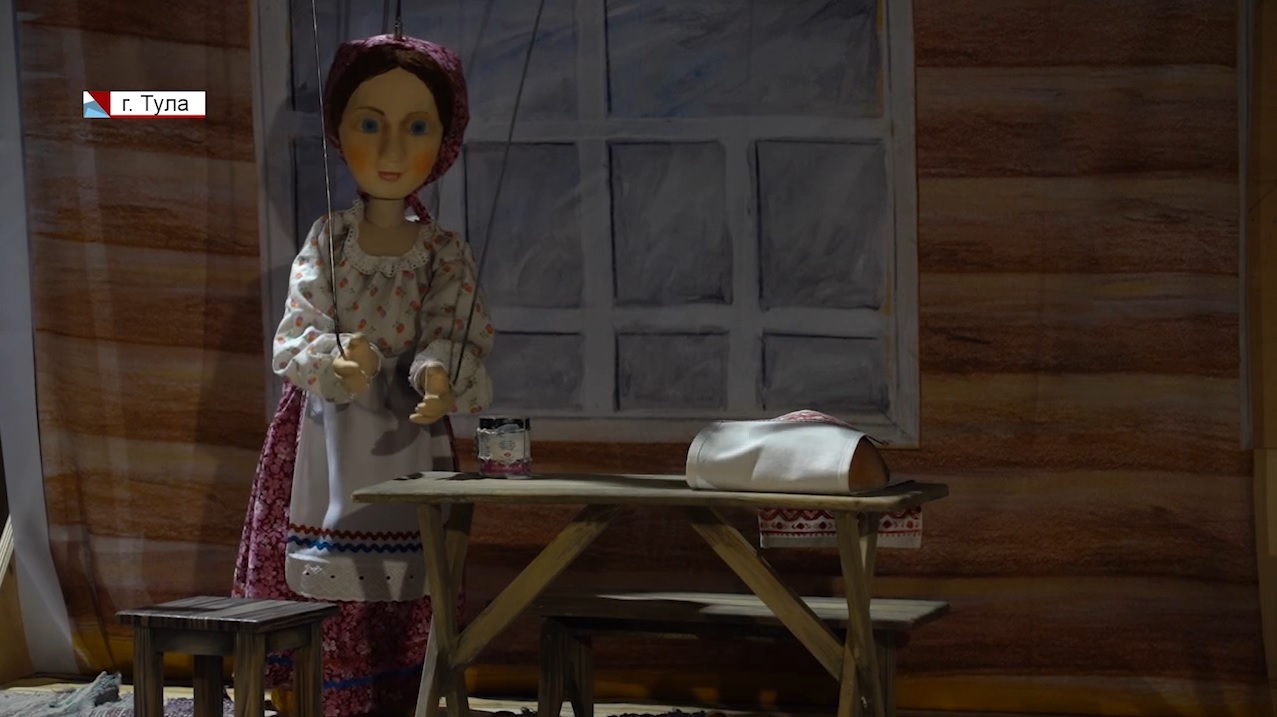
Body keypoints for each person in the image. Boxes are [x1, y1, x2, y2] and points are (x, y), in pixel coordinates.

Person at [232, 33, 494, 717]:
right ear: (339, 130)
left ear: (443, 141)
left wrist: (438, 373)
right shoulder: (329, 239)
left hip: (408, 432)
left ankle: (403, 691)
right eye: (370, 125)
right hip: (325, 431)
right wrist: (338, 355)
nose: (390, 150)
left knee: (409, 562)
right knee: (326, 557)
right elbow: (299, 326)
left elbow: (452, 325)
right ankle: (321, 693)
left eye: (416, 128)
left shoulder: (442, 251)